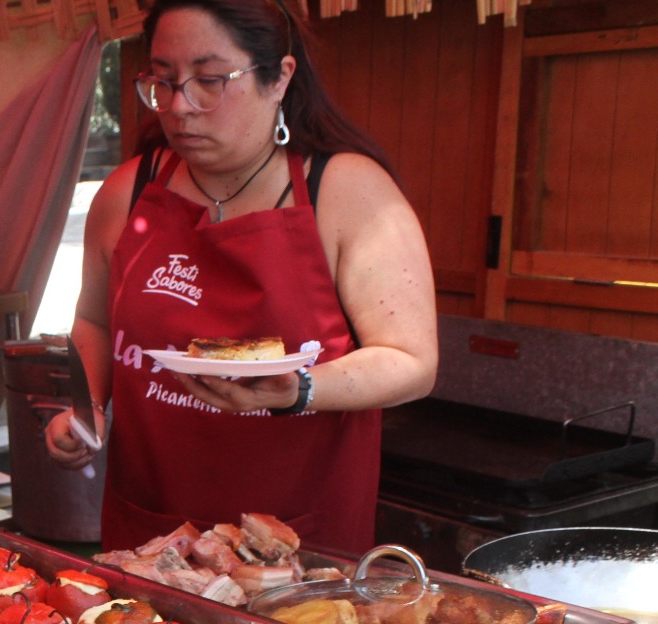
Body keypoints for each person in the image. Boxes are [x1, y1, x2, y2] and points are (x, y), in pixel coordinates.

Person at [46, 0, 437, 554]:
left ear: (279, 78)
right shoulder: (128, 191)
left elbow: (412, 362)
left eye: (209, 80)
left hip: (300, 543)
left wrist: (298, 390)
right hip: (153, 531)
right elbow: (93, 322)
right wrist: (87, 408)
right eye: (163, 81)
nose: (180, 106)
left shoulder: (347, 191)